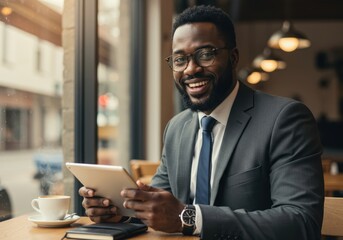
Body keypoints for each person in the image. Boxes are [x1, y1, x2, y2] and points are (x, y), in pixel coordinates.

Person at [79, 5, 324, 240]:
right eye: (180, 59)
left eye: (205, 55)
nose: (191, 69)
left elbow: (301, 223)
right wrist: (119, 213)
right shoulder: (177, 128)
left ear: (234, 57)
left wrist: (190, 218)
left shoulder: (285, 119)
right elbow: (159, 209)